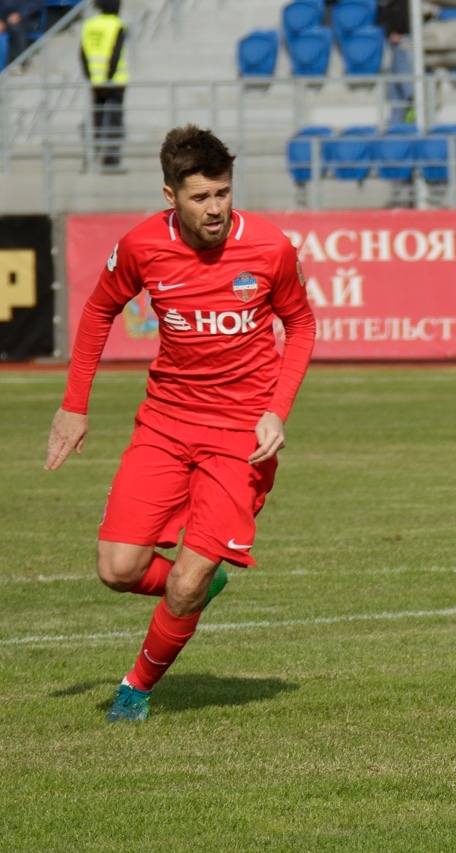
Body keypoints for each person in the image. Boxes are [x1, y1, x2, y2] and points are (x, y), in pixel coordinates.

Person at [44, 125, 317, 724]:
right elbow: (97, 312)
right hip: (165, 424)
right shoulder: (142, 246)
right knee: (117, 570)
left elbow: (301, 325)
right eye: (200, 197)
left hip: (240, 437)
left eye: (222, 193)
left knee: (187, 581)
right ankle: (192, 590)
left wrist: (277, 409)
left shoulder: (270, 247)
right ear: (171, 196)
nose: (215, 208)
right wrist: (74, 403)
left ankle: (135, 688)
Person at [79, 0, 127, 170]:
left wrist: (92, 79)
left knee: (96, 120)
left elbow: (83, 55)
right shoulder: (117, 25)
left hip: (94, 83)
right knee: (114, 120)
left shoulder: (89, 25)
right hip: (114, 82)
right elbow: (115, 54)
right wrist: (107, 80)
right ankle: (111, 159)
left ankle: (92, 156)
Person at [378, 0, 413, 126]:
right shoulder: (387, 5)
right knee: (394, 88)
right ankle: (396, 125)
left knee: (404, 77)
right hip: (392, 45)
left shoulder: (407, 4)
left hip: (405, 42)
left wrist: (402, 37)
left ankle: (413, 100)